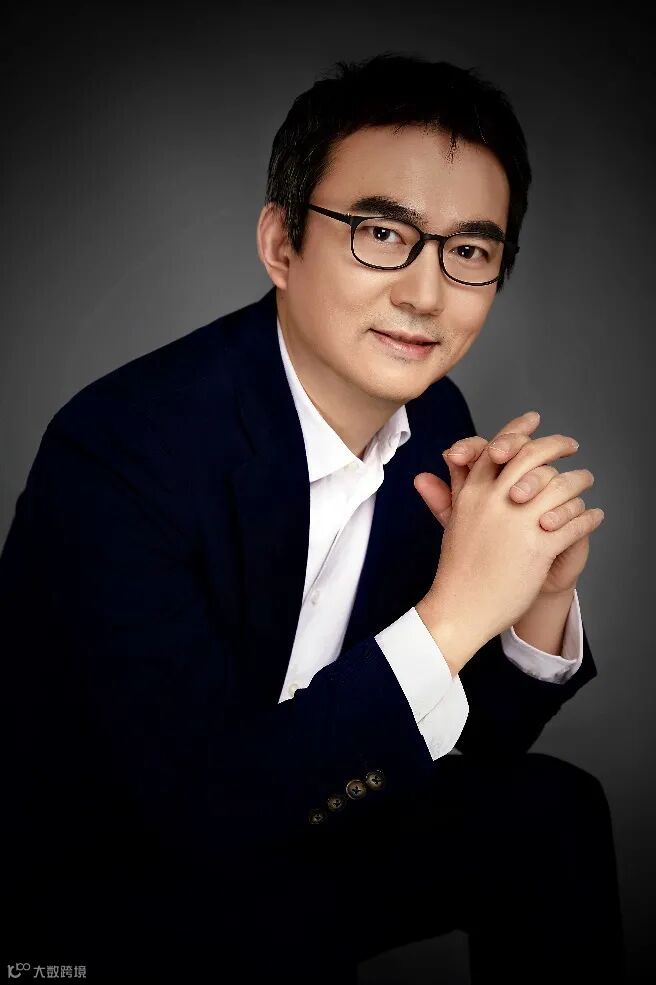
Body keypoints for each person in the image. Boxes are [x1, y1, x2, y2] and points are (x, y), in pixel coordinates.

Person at [2, 52, 624, 983]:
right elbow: (196, 811)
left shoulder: (434, 421)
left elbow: (467, 737)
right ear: (281, 244)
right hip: (119, 888)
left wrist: (532, 599)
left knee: (550, 813)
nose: (425, 294)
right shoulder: (120, 450)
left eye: (469, 252)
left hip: (299, 818)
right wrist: (454, 612)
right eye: (381, 232)